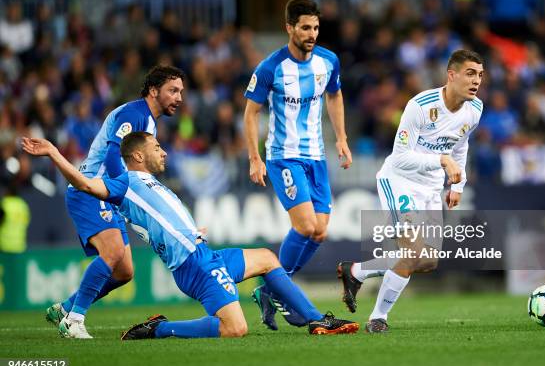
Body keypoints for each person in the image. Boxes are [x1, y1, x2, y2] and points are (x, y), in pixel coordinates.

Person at [22, 133, 359, 338]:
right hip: (193, 266)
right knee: (235, 329)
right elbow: (83, 184)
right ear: (138, 155)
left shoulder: (154, 185)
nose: (163, 151)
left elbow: (159, 221)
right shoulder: (124, 183)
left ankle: (317, 320)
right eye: (156, 147)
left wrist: (190, 231)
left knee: (269, 259)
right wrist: (54, 153)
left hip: (203, 254)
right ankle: (160, 329)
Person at [337, 49, 485, 333]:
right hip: (400, 181)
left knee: (428, 261)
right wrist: (442, 160)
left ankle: (355, 271)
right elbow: (401, 156)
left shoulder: (475, 109)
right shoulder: (420, 105)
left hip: (431, 187)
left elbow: (461, 145)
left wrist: (458, 183)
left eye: (479, 74)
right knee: (414, 251)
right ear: (451, 75)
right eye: (469, 73)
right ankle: (378, 318)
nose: (476, 80)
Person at [44, 65, 186, 339]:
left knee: (124, 272)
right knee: (111, 253)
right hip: (92, 191)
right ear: (154, 91)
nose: (179, 97)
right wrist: (121, 191)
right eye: (173, 90)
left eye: (180, 91)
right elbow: (112, 156)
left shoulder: (149, 121)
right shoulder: (134, 114)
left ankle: (66, 308)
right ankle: (74, 320)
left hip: (108, 195)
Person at [243, 0, 352, 330]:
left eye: (316, 27)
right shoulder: (270, 68)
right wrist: (255, 157)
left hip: (316, 156)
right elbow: (251, 113)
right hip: (284, 156)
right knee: (305, 226)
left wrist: (342, 138)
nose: (312, 33)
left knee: (319, 233)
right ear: (289, 27)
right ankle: (280, 291)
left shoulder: (328, 62)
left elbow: (334, 95)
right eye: (305, 27)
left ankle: (269, 289)